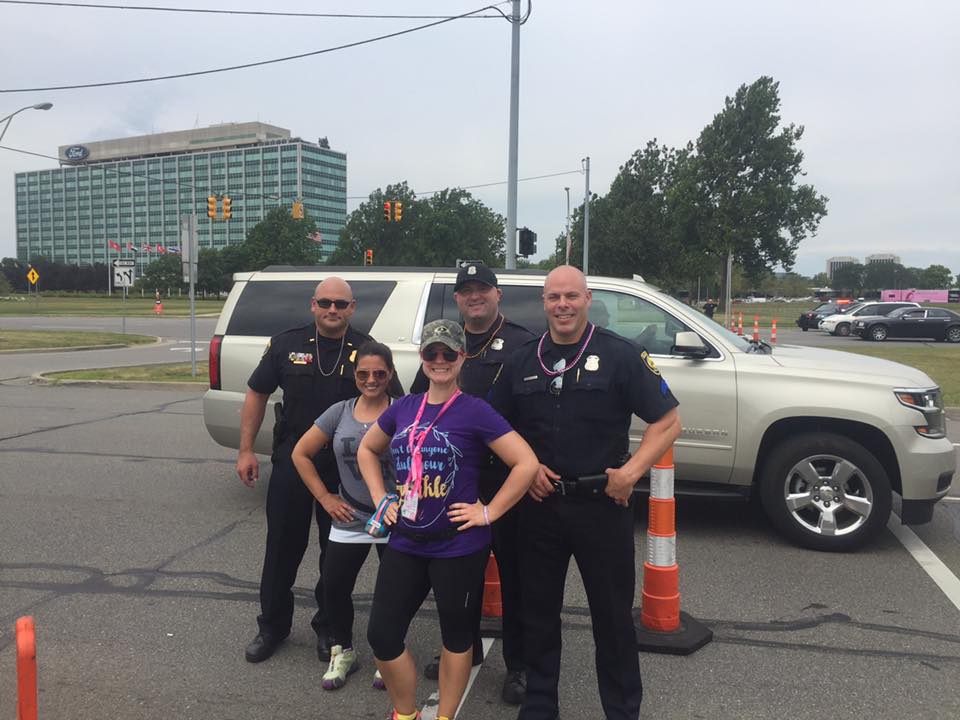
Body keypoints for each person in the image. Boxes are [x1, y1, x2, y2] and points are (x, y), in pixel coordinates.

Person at [490, 266, 682, 720]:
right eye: (554, 297)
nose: (563, 305)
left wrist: (631, 472)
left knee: (612, 620)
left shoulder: (620, 355)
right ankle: (540, 706)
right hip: (540, 507)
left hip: (602, 507)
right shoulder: (522, 359)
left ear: (587, 299)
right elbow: (495, 425)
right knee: (538, 615)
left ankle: (622, 710)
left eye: (571, 296)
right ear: (543, 302)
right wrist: (526, 465)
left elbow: (668, 421)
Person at [358, 319, 539, 720]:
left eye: (448, 353)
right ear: (422, 357)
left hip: (459, 545)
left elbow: (525, 463)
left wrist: (489, 511)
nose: (439, 360)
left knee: (456, 638)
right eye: (431, 352)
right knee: (382, 635)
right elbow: (367, 450)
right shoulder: (403, 407)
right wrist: (380, 498)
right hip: (406, 540)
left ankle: (444, 716)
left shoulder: (476, 410)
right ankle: (406, 713)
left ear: (462, 357)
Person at [238, 277, 393, 664]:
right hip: (295, 459)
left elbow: (395, 409)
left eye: (341, 304)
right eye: (325, 303)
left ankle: (329, 627)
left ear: (352, 307)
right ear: (313, 305)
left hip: (344, 469)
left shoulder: (365, 349)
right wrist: (245, 450)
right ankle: (272, 626)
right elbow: (257, 392)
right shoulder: (286, 344)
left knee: (333, 553)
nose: (332, 310)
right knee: (281, 548)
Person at [409, 262, 535, 705]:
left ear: (498, 294)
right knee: (457, 572)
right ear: (458, 298)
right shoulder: (442, 343)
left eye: (483, 288)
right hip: (453, 481)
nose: (475, 296)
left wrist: (535, 466)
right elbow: (415, 406)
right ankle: (461, 647)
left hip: (504, 478)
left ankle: (519, 663)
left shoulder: (522, 344)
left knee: (516, 574)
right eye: (466, 290)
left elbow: (537, 411)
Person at [291, 341, 399, 692]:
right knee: (334, 587)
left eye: (379, 373)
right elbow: (300, 454)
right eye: (364, 373)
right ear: (354, 375)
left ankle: (388, 655)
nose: (371, 380)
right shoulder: (340, 412)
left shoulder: (404, 410)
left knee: (393, 592)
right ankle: (343, 650)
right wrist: (325, 497)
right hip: (350, 517)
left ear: (390, 374)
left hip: (393, 519)